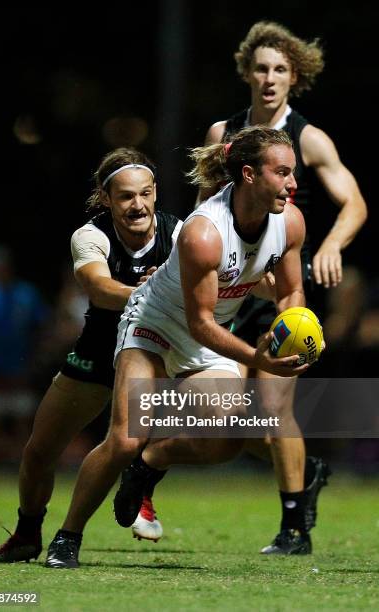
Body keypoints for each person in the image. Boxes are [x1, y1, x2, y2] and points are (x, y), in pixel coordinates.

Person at [44, 126, 310, 569]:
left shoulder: (291, 223)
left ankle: (151, 461)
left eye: (292, 172)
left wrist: (290, 328)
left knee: (229, 438)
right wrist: (259, 358)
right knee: (126, 437)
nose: (292, 183)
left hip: (206, 330)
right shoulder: (205, 232)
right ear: (248, 174)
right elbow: (199, 323)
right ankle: (67, 537)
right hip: (153, 324)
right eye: (282, 172)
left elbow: (290, 291)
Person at [193, 21, 367, 554]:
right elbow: (204, 210)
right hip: (229, 287)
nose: (270, 79)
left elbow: (355, 202)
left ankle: (294, 529)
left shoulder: (309, 137)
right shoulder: (225, 136)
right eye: (262, 68)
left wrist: (333, 245)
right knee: (220, 418)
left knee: (273, 410)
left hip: (285, 287)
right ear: (247, 73)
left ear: (295, 78)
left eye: (281, 70)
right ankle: (302, 471)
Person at [0, 147, 182, 563]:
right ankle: (27, 535)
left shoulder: (180, 234)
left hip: (154, 353)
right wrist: (151, 292)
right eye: (126, 196)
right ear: (107, 198)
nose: (137, 205)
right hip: (97, 351)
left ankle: (133, 487)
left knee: (135, 437)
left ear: (156, 193)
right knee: (39, 451)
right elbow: (99, 290)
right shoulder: (91, 235)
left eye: (145, 194)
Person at [0, 245, 48, 465]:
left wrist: (37, 355)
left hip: (19, 366)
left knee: (23, 418)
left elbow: (42, 325)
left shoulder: (25, 293)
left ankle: (24, 463)